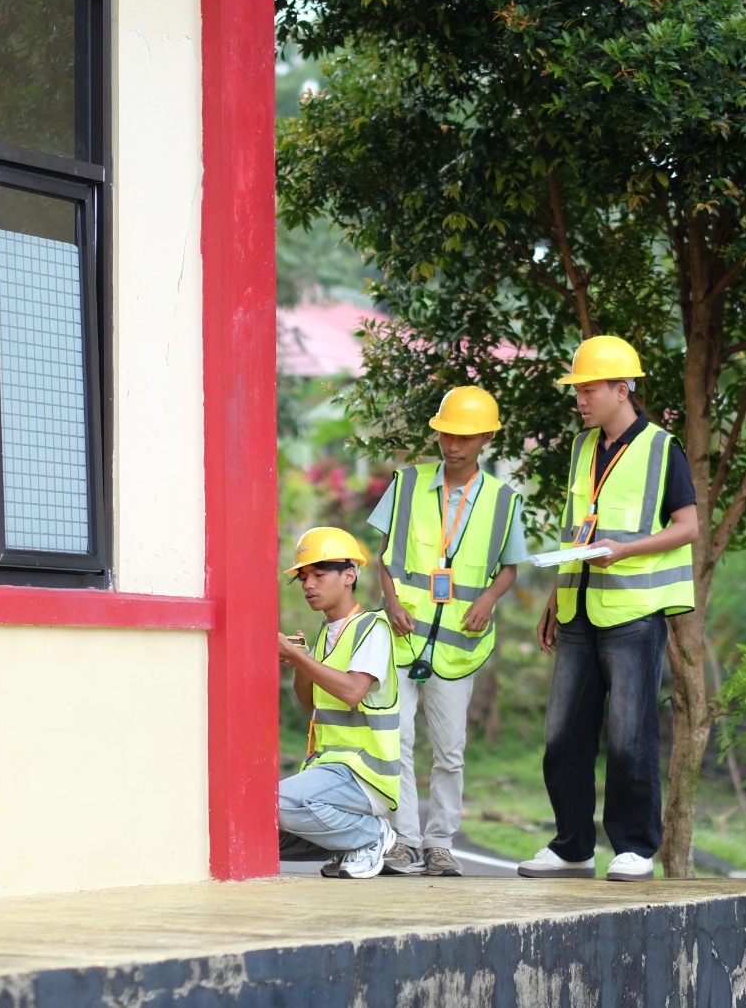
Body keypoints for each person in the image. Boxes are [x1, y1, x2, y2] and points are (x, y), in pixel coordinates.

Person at [517, 336, 698, 883]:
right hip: (576, 608)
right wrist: (556, 595)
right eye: (578, 389)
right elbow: (582, 531)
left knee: (629, 737)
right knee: (563, 736)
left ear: (623, 389)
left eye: (589, 388)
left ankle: (635, 847)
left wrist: (627, 553)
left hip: (633, 614)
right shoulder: (582, 448)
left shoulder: (662, 449)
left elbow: (687, 527)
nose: (581, 398)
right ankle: (573, 845)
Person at [369, 386, 528, 876]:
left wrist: (488, 599)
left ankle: (439, 844)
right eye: (445, 435)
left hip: (458, 644)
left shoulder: (503, 499)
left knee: (450, 751)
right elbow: (385, 558)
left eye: (464, 437)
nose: (453, 445)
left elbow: (509, 567)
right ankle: (403, 842)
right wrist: (391, 602)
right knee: (395, 740)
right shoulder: (407, 483)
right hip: (404, 634)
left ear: (484, 438)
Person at [276, 526, 401, 878]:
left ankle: (370, 837)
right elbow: (308, 703)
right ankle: (350, 843)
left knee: (274, 804)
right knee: (259, 828)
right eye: (303, 578)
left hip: (364, 775)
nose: (308, 585)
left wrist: (300, 659)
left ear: (350, 575)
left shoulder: (372, 629)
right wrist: (299, 661)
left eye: (318, 574)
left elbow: (352, 692)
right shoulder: (326, 634)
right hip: (331, 769)